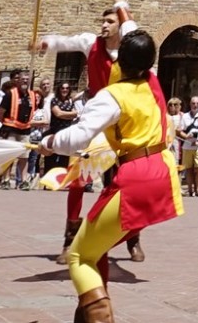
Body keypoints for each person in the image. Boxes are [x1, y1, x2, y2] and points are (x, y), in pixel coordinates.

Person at [44, 29, 182, 323]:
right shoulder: (153, 82)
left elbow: (79, 137)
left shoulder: (111, 96)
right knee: (98, 244)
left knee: (80, 255)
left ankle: (100, 317)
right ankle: (85, 314)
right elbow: (133, 31)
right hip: (163, 172)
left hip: (136, 178)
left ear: (120, 62)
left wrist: (49, 143)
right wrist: (122, 6)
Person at [34, 0, 144, 264]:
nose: (104, 25)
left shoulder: (131, 51)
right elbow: (65, 42)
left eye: (110, 22)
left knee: (128, 181)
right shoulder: (90, 43)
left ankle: (133, 237)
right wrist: (45, 42)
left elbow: (135, 29)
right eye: (103, 21)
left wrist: (123, 4)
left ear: (121, 26)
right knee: (78, 179)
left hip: (124, 121)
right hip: (95, 118)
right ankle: (69, 240)